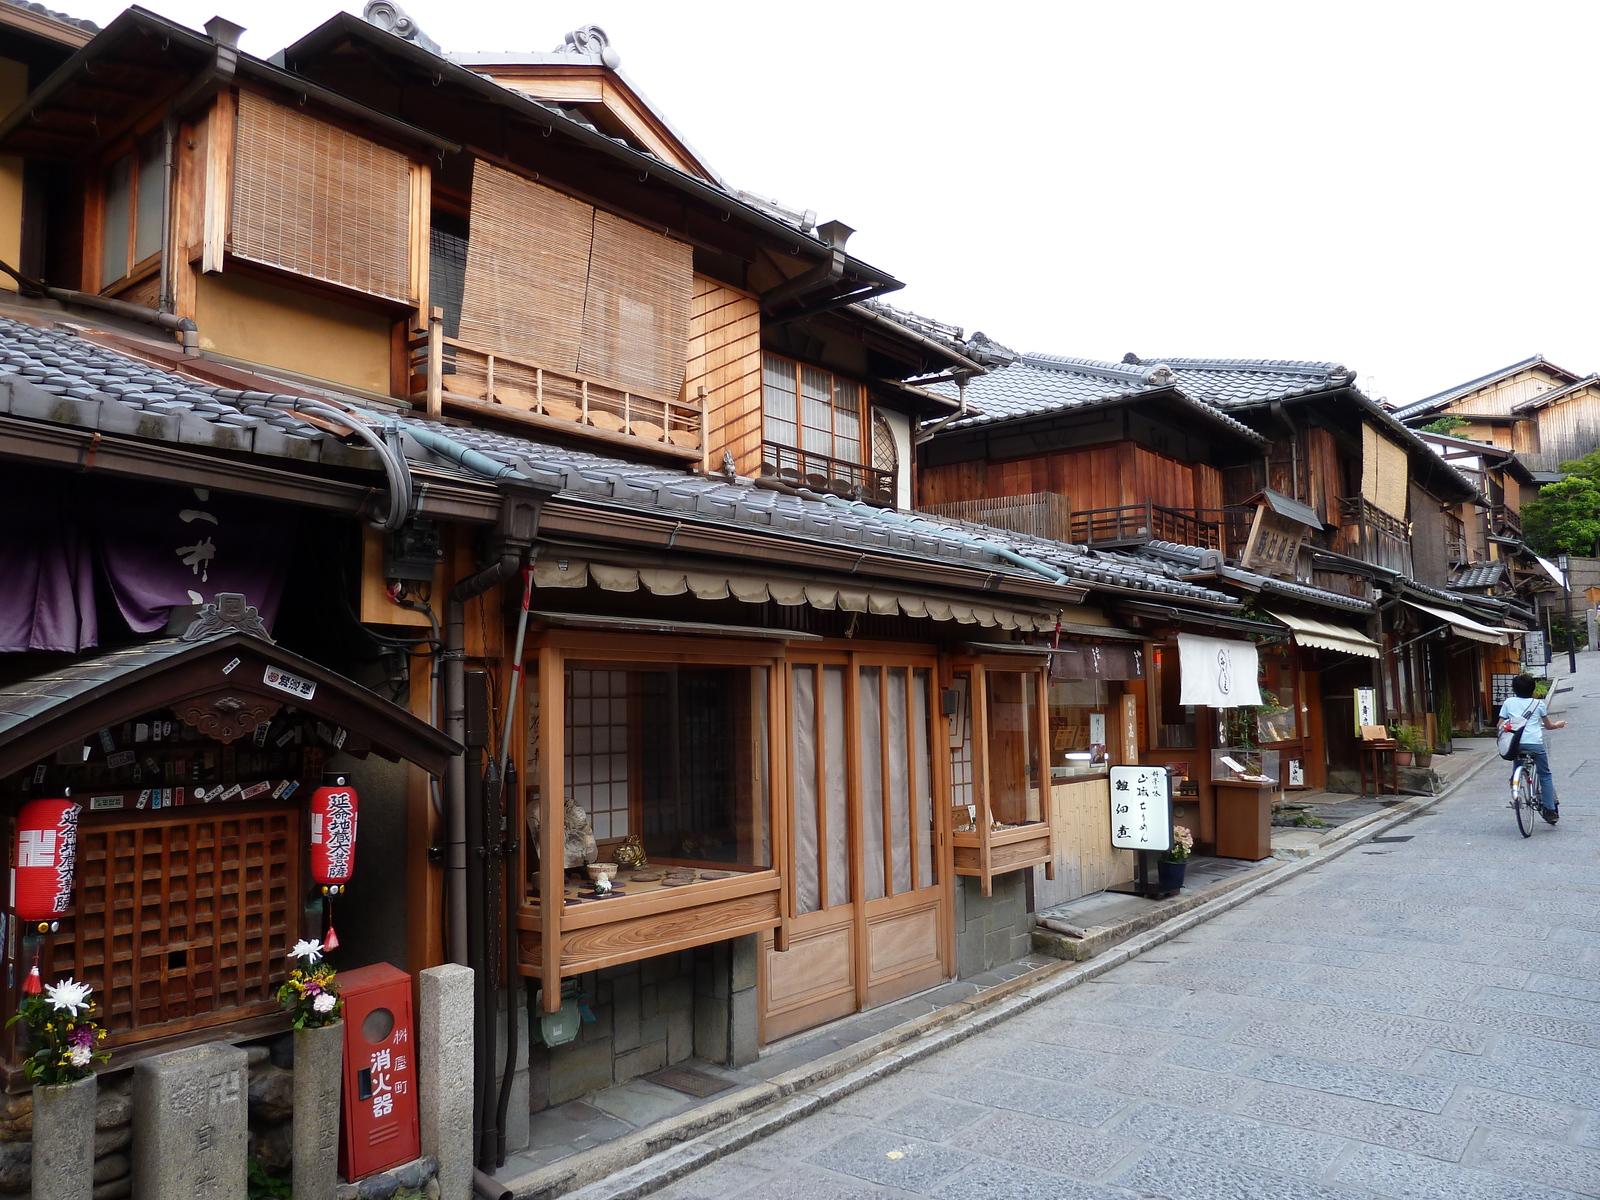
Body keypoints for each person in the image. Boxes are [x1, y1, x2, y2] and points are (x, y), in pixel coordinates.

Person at [1500, 674, 1566, 823]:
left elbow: (1500, 725)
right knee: (1545, 775)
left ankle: (1515, 782)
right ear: (1533, 689)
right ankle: (1550, 810)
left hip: (1515, 744)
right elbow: (1548, 726)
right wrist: (1558, 724)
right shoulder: (1538, 704)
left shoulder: (1508, 702)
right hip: (1535, 744)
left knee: (1517, 758)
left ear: (1514, 689)